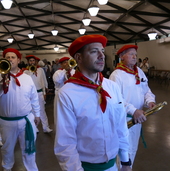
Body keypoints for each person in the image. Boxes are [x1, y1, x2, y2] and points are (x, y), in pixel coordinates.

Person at [54, 35, 132, 171]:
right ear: (79, 58)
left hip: (113, 165)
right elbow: (66, 143)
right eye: (94, 51)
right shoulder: (67, 94)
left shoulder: (112, 87)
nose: (102, 55)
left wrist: (125, 160)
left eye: (102, 51)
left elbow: (120, 125)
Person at [0, 48, 40, 171]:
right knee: (7, 149)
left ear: (18, 60)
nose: (10, 59)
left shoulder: (27, 77)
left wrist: (37, 114)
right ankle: (7, 168)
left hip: (25, 120)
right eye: (7, 57)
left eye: (13, 57)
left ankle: (32, 169)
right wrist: (2, 78)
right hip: (6, 121)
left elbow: (34, 98)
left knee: (29, 148)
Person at [109, 45, 156, 166]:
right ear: (121, 57)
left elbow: (146, 90)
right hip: (124, 120)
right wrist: (132, 110)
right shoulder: (116, 75)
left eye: (135, 54)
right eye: (130, 54)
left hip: (137, 118)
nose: (134, 56)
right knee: (123, 151)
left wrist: (150, 101)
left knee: (133, 148)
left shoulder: (139, 71)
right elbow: (115, 100)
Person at [24, 55, 52, 133]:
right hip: (30, 93)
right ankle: (35, 127)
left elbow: (43, 80)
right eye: (30, 61)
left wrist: (44, 92)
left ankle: (46, 127)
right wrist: (31, 72)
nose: (32, 62)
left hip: (39, 92)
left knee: (42, 110)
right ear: (28, 62)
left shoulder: (40, 70)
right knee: (32, 111)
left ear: (35, 62)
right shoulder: (25, 72)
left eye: (33, 61)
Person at [52, 57, 75, 126]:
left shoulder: (73, 71)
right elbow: (57, 80)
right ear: (61, 64)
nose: (67, 63)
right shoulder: (58, 72)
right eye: (65, 62)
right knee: (60, 112)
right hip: (60, 93)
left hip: (71, 93)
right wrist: (65, 71)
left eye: (68, 61)